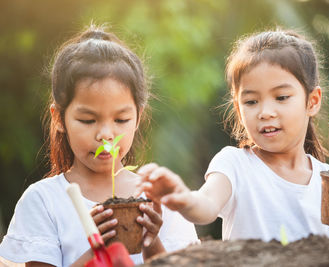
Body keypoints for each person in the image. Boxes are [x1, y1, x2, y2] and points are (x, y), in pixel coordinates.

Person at [137, 29, 329, 243]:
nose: (265, 112)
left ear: (312, 102)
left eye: (281, 97)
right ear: (239, 110)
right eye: (251, 101)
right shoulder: (234, 164)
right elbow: (206, 205)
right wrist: (181, 196)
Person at [0, 24, 198, 266]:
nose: (106, 135)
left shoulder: (159, 198)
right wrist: (96, 249)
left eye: (121, 120)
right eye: (88, 120)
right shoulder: (44, 201)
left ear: (138, 118)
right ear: (58, 118)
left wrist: (151, 241)